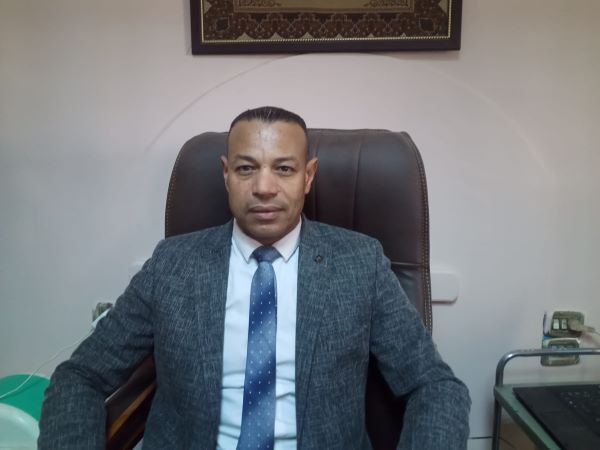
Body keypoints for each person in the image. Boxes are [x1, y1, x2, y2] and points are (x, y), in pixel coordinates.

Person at [39, 106, 470, 449]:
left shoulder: (360, 263)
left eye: (283, 169)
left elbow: (435, 385)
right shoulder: (172, 265)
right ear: (226, 174)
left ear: (308, 176)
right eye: (247, 169)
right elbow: (81, 376)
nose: (264, 187)